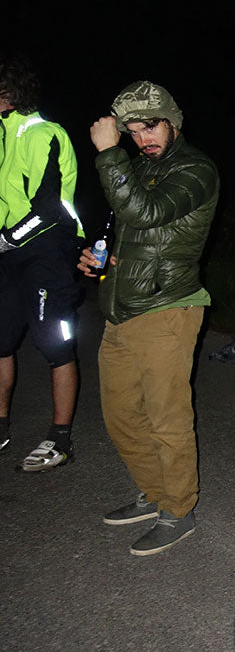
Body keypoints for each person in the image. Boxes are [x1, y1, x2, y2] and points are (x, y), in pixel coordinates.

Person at [77, 80, 219, 556]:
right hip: (121, 309)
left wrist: (106, 153)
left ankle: (178, 510)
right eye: (133, 131)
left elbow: (146, 210)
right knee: (120, 416)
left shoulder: (196, 169)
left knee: (166, 419)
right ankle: (153, 492)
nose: (142, 138)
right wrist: (102, 260)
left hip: (170, 308)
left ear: (173, 121)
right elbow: (127, 228)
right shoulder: (139, 167)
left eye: (150, 126)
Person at [0, 54, 85, 470]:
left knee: (55, 344)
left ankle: (60, 439)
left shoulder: (44, 133)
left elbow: (49, 208)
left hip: (49, 249)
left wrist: (7, 238)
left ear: (9, 94)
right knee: (0, 341)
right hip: (9, 254)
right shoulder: (0, 134)